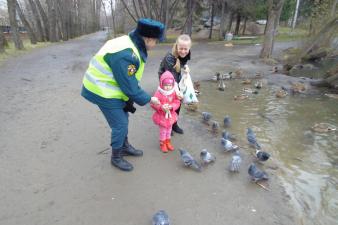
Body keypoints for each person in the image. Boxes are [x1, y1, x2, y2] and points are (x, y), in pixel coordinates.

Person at [81, 18, 165, 172]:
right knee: (120, 124)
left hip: (112, 87)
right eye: (156, 41)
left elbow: (129, 81)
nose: (156, 44)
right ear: (148, 39)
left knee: (124, 118)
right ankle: (116, 157)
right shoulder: (126, 54)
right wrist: (150, 99)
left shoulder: (131, 44)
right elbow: (129, 87)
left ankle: (124, 146)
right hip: (101, 90)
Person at [158, 34, 192, 134]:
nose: (183, 51)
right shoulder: (169, 58)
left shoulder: (187, 53)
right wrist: (177, 92)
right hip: (166, 79)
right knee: (168, 102)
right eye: (181, 48)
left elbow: (184, 63)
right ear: (177, 46)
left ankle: (174, 124)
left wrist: (186, 68)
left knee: (177, 103)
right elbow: (171, 78)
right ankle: (167, 124)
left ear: (189, 48)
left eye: (186, 49)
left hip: (176, 76)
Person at [150, 71, 181, 153]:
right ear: (161, 84)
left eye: (170, 85)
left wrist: (172, 107)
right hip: (162, 116)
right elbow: (153, 104)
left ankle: (168, 142)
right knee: (163, 130)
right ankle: (162, 143)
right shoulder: (158, 93)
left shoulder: (174, 92)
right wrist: (161, 107)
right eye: (166, 85)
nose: (168, 87)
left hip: (170, 115)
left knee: (169, 129)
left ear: (173, 85)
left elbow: (177, 102)